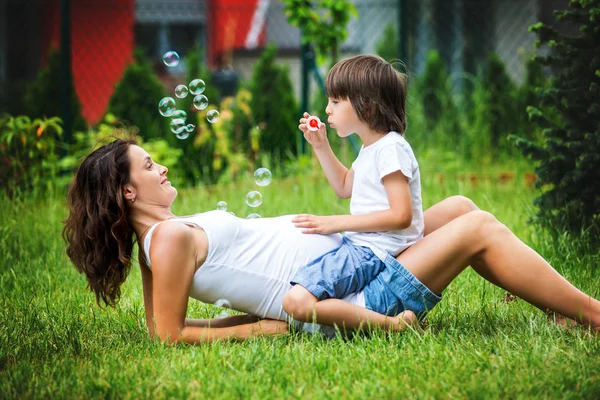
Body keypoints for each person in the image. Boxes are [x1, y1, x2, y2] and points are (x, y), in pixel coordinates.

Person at [63, 138, 600, 344]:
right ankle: (592, 314)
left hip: (354, 263)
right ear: (129, 191)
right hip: (349, 297)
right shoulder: (170, 239)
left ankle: (558, 306)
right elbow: (170, 336)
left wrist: (246, 322)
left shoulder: (162, 239)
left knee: (459, 208)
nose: (162, 168)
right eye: (150, 165)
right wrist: (259, 331)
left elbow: (163, 326)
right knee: (478, 228)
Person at [282, 54, 424, 327]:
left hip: (371, 251)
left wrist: (336, 223)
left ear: (367, 108)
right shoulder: (372, 148)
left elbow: (401, 215)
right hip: (365, 247)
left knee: (296, 299)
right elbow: (345, 186)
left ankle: (392, 325)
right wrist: (321, 145)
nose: (327, 109)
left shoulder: (390, 148)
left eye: (336, 101)